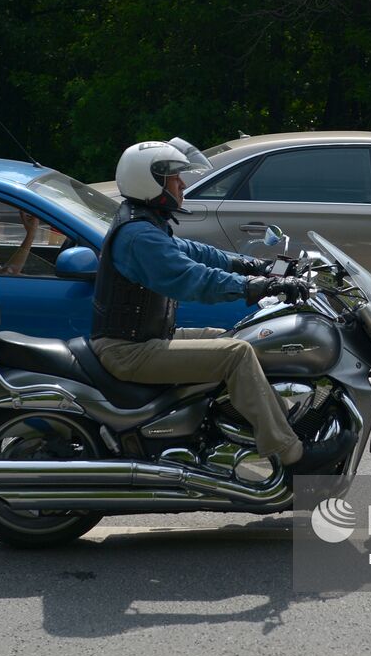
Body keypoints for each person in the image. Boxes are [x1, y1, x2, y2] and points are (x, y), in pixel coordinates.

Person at [90, 138, 356, 475]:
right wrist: (256, 286)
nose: (182, 184)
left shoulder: (145, 223)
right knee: (236, 354)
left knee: (242, 338)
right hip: (129, 351)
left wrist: (253, 266)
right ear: (151, 181)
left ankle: (255, 429)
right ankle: (292, 456)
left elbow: (198, 253)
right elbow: (193, 278)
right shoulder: (139, 236)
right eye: (174, 178)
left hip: (146, 338)